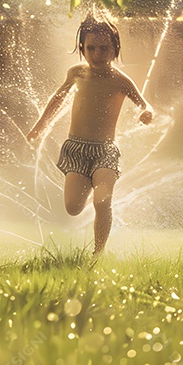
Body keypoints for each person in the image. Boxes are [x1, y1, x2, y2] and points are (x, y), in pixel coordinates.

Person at [27, 14, 153, 255]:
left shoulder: (121, 80)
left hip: (105, 151)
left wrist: (146, 113)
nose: (97, 54)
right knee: (73, 207)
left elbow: (145, 104)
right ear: (82, 48)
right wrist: (39, 127)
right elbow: (57, 100)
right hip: (76, 149)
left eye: (104, 48)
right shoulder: (76, 73)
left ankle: (98, 253)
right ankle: (89, 184)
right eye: (91, 48)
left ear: (115, 49)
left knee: (102, 201)